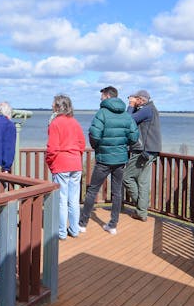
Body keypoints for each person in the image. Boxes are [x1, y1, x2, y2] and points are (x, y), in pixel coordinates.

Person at [78, 86, 139, 235]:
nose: (100, 99)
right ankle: (112, 225)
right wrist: (122, 146)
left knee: (92, 190)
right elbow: (134, 137)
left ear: (106, 96)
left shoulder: (102, 113)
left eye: (101, 97)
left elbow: (94, 135)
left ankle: (82, 224)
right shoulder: (126, 116)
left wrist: (98, 148)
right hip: (120, 160)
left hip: (104, 160)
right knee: (117, 192)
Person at [46, 94, 86, 240]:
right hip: (75, 164)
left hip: (61, 164)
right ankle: (74, 230)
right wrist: (75, 156)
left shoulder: (55, 123)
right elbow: (82, 144)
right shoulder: (75, 122)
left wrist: (50, 162)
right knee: (73, 199)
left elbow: (52, 148)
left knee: (62, 200)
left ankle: (61, 232)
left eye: (53, 104)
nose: (51, 106)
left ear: (58, 106)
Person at [123, 89, 162, 221]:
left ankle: (141, 207)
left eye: (136, 99)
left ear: (141, 99)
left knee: (126, 177)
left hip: (142, 151)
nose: (134, 100)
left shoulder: (146, 110)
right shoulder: (151, 109)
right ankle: (142, 212)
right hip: (151, 150)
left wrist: (131, 105)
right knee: (143, 182)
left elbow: (127, 120)